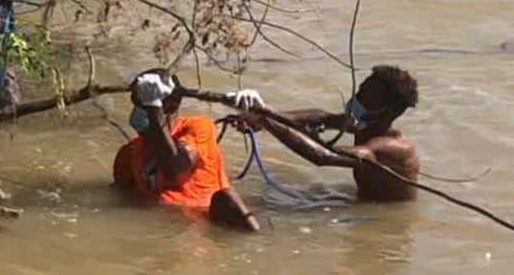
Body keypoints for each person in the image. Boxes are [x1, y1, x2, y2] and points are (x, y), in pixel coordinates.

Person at [243, 65, 420, 202]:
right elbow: (322, 118)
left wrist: (268, 121)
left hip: (385, 226)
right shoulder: (363, 124)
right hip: (364, 203)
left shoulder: (393, 149)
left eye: (366, 97)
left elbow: (323, 156)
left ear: (386, 113)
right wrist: (265, 113)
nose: (357, 98)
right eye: (360, 91)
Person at [113, 70, 261, 230]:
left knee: (227, 198)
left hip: (202, 227)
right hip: (157, 231)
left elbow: (175, 168)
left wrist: (153, 109)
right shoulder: (130, 152)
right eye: (137, 104)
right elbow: (118, 195)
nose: (137, 111)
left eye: (145, 105)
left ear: (170, 105)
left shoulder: (199, 127)